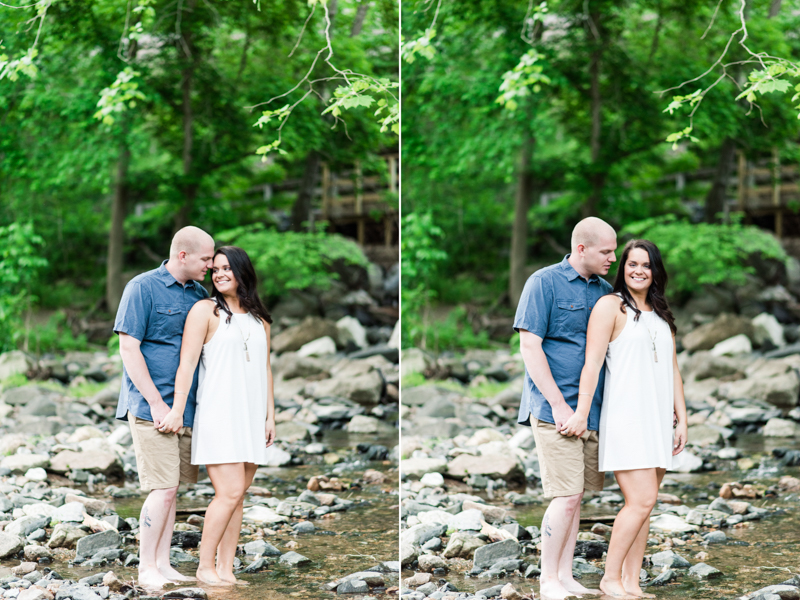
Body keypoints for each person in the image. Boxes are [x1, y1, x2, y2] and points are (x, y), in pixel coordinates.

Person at [560, 239, 688, 598]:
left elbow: (673, 367)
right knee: (642, 500)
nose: (638, 270)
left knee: (645, 506)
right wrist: (582, 411)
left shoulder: (660, 311)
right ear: (623, 268)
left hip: (658, 418)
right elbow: (592, 362)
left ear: (655, 271)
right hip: (626, 417)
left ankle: (631, 583)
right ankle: (609, 579)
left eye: (646, 265)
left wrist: (682, 416)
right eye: (632, 263)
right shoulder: (609, 306)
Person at [159, 246, 277, 585]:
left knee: (238, 495)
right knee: (228, 493)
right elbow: (187, 364)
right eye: (216, 269)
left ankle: (226, 569)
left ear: (243, 273)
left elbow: (265, 369)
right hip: (219, 415)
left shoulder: (260, 318)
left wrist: (270, 416)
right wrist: (178, 409)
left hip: (252, 415)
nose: (220, 274)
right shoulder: (205, 311)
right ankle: (204, 567)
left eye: (227, 268)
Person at [514, 217, 617, 600]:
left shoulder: (605, 291)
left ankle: (566, 575)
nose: (614, 257)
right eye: (606, 251)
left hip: (592, 411)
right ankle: (547, 581)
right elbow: (529, 345)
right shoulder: (543, 282)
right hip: (553, 410)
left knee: (578, 496)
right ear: (581, 249)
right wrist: (558, 405)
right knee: (566, 495)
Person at [114, 226, 215, 589]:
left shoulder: (199, 294)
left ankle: (163, 562)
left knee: (173, 489)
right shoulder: (142, 287)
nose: (211, 265)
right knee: (162, 488)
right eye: (206, 258)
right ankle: (145, 568)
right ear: (183, 255)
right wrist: (157, 403)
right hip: (150, 407)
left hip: (185, 408)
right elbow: (129, 348)